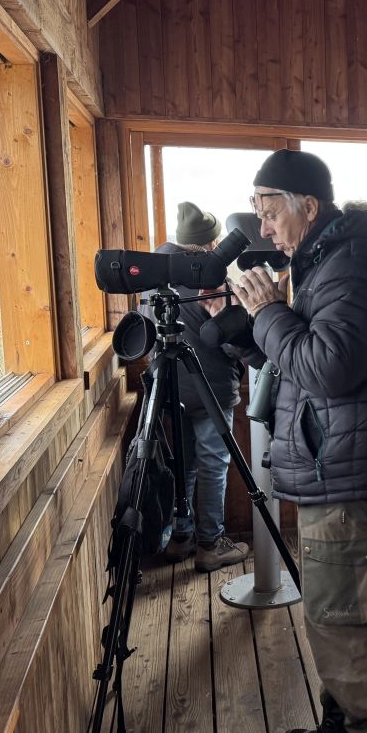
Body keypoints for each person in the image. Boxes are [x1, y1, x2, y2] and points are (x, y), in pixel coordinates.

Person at [227, 150, 367, 733]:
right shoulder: (326, 259)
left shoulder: (355, 264)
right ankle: (343, 730)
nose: (264, 228)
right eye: (258, 214)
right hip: (331, 464)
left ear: (307, 206)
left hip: (343, 474)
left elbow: (330, 367)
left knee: (341, 622)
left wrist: (269, 313)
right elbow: (300, 357)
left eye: (270, 212)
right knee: (332, 614)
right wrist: (252, 323)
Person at [144, 202, 251, 573]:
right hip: (211, 389)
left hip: (170, 389)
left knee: (184, 464)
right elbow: (232, 340)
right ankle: (210, 543)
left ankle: (180, 535)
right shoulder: (210, 279)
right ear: (210, 244)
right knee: (214, 464)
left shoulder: (154, 276)